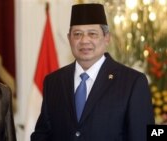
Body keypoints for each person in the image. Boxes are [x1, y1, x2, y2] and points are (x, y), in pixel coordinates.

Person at [31, 3, 155, 141]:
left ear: (107, 37)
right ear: (69, 38)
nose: (84, 40)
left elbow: (143, 136)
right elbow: (42, 135)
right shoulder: (53, 81)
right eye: (77, 34)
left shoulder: (133, 82)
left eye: (92, 34)